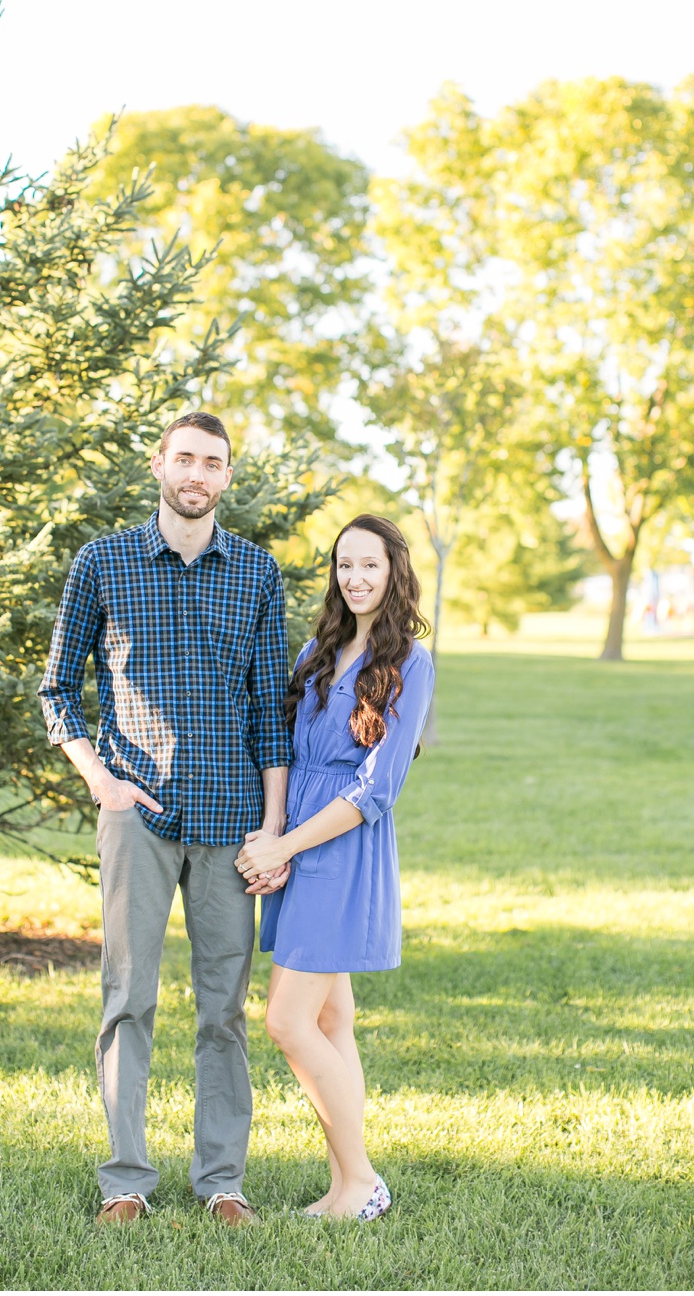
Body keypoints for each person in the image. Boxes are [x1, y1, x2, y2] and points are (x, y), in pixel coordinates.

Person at [37, 411, 294, 1228]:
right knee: (128, 997)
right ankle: (125, 1182)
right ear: (158, 465)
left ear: (226, 477)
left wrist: (275, 828)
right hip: (137, 816)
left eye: (212, 463)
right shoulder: (104, 561)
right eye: (185, 457)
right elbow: (55, 688)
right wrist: (100, 780)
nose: (197, 473)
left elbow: (270, 714)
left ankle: (223, 1181)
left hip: (232, 823)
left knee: (223, 1009)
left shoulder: (256, 572)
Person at [234, 513, 433, 1223]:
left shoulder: (409, 661)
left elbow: (376, 789)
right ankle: (347, 1185)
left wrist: (287, 847)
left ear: (393, 571)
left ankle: (362, 1180)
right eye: (344, 564)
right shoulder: (316, 652)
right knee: (331, 1017)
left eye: (369, 565)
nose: (354, 577)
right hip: (297, 844)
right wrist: (272, 834)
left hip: (343, 851)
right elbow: (284, 751)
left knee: (288, 1021)